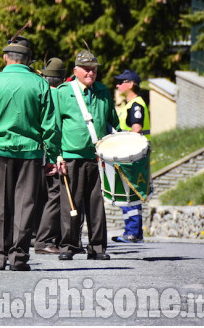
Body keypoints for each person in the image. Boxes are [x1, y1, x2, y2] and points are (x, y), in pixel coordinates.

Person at [0, 36, 63, 271]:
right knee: (25, 205)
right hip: (30, 153)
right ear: (28, 60)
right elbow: (50, 125)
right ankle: (19, 258)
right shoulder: (40, 83)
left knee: (0, 206)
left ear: (5, 57)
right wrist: (52, 155)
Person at [56, 50, 119, 261]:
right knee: (70, 205)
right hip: (70, 156)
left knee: (96, 205)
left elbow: (113, 122)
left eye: (93, 69)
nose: (90, 73)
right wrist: (57, 155)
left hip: (97, 157)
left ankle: (97, 247)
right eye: (86, 69)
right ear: (76, 70)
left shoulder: (103, 91)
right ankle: (68, 245)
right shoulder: (63, 92)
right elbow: (53, 126)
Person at [34, 58, 67, 255]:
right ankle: (45, 239)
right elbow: (55, 128)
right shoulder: (61, 96)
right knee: (55, 196)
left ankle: (38, 235)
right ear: (62, 78)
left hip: (38, 153)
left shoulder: (40, 93)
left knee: (41, 197)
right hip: (55, 153)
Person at [112, 69, 150, 243]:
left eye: (121, 81)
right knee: (128, 193)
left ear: (131, 84)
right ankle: (132, 231)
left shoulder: (136, 104)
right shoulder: (129, 104)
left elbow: (136, 129)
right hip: (130, 154)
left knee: (131, 192)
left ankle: (133, 232)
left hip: (132, 155)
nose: (118, 85)